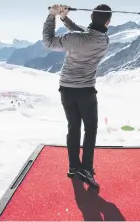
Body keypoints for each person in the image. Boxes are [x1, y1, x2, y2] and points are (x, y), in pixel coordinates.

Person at [43, 4, 112, 188]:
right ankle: (87, 169)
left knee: (73, 127)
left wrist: (52, 16)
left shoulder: (74, 39)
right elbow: (87, 35)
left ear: (90, 17)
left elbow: (48, 42)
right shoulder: (105, 41)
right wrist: (65, 20)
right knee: (90, 128)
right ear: (108, 22)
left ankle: (74, 167)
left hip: (66, 89)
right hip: (87, 91)